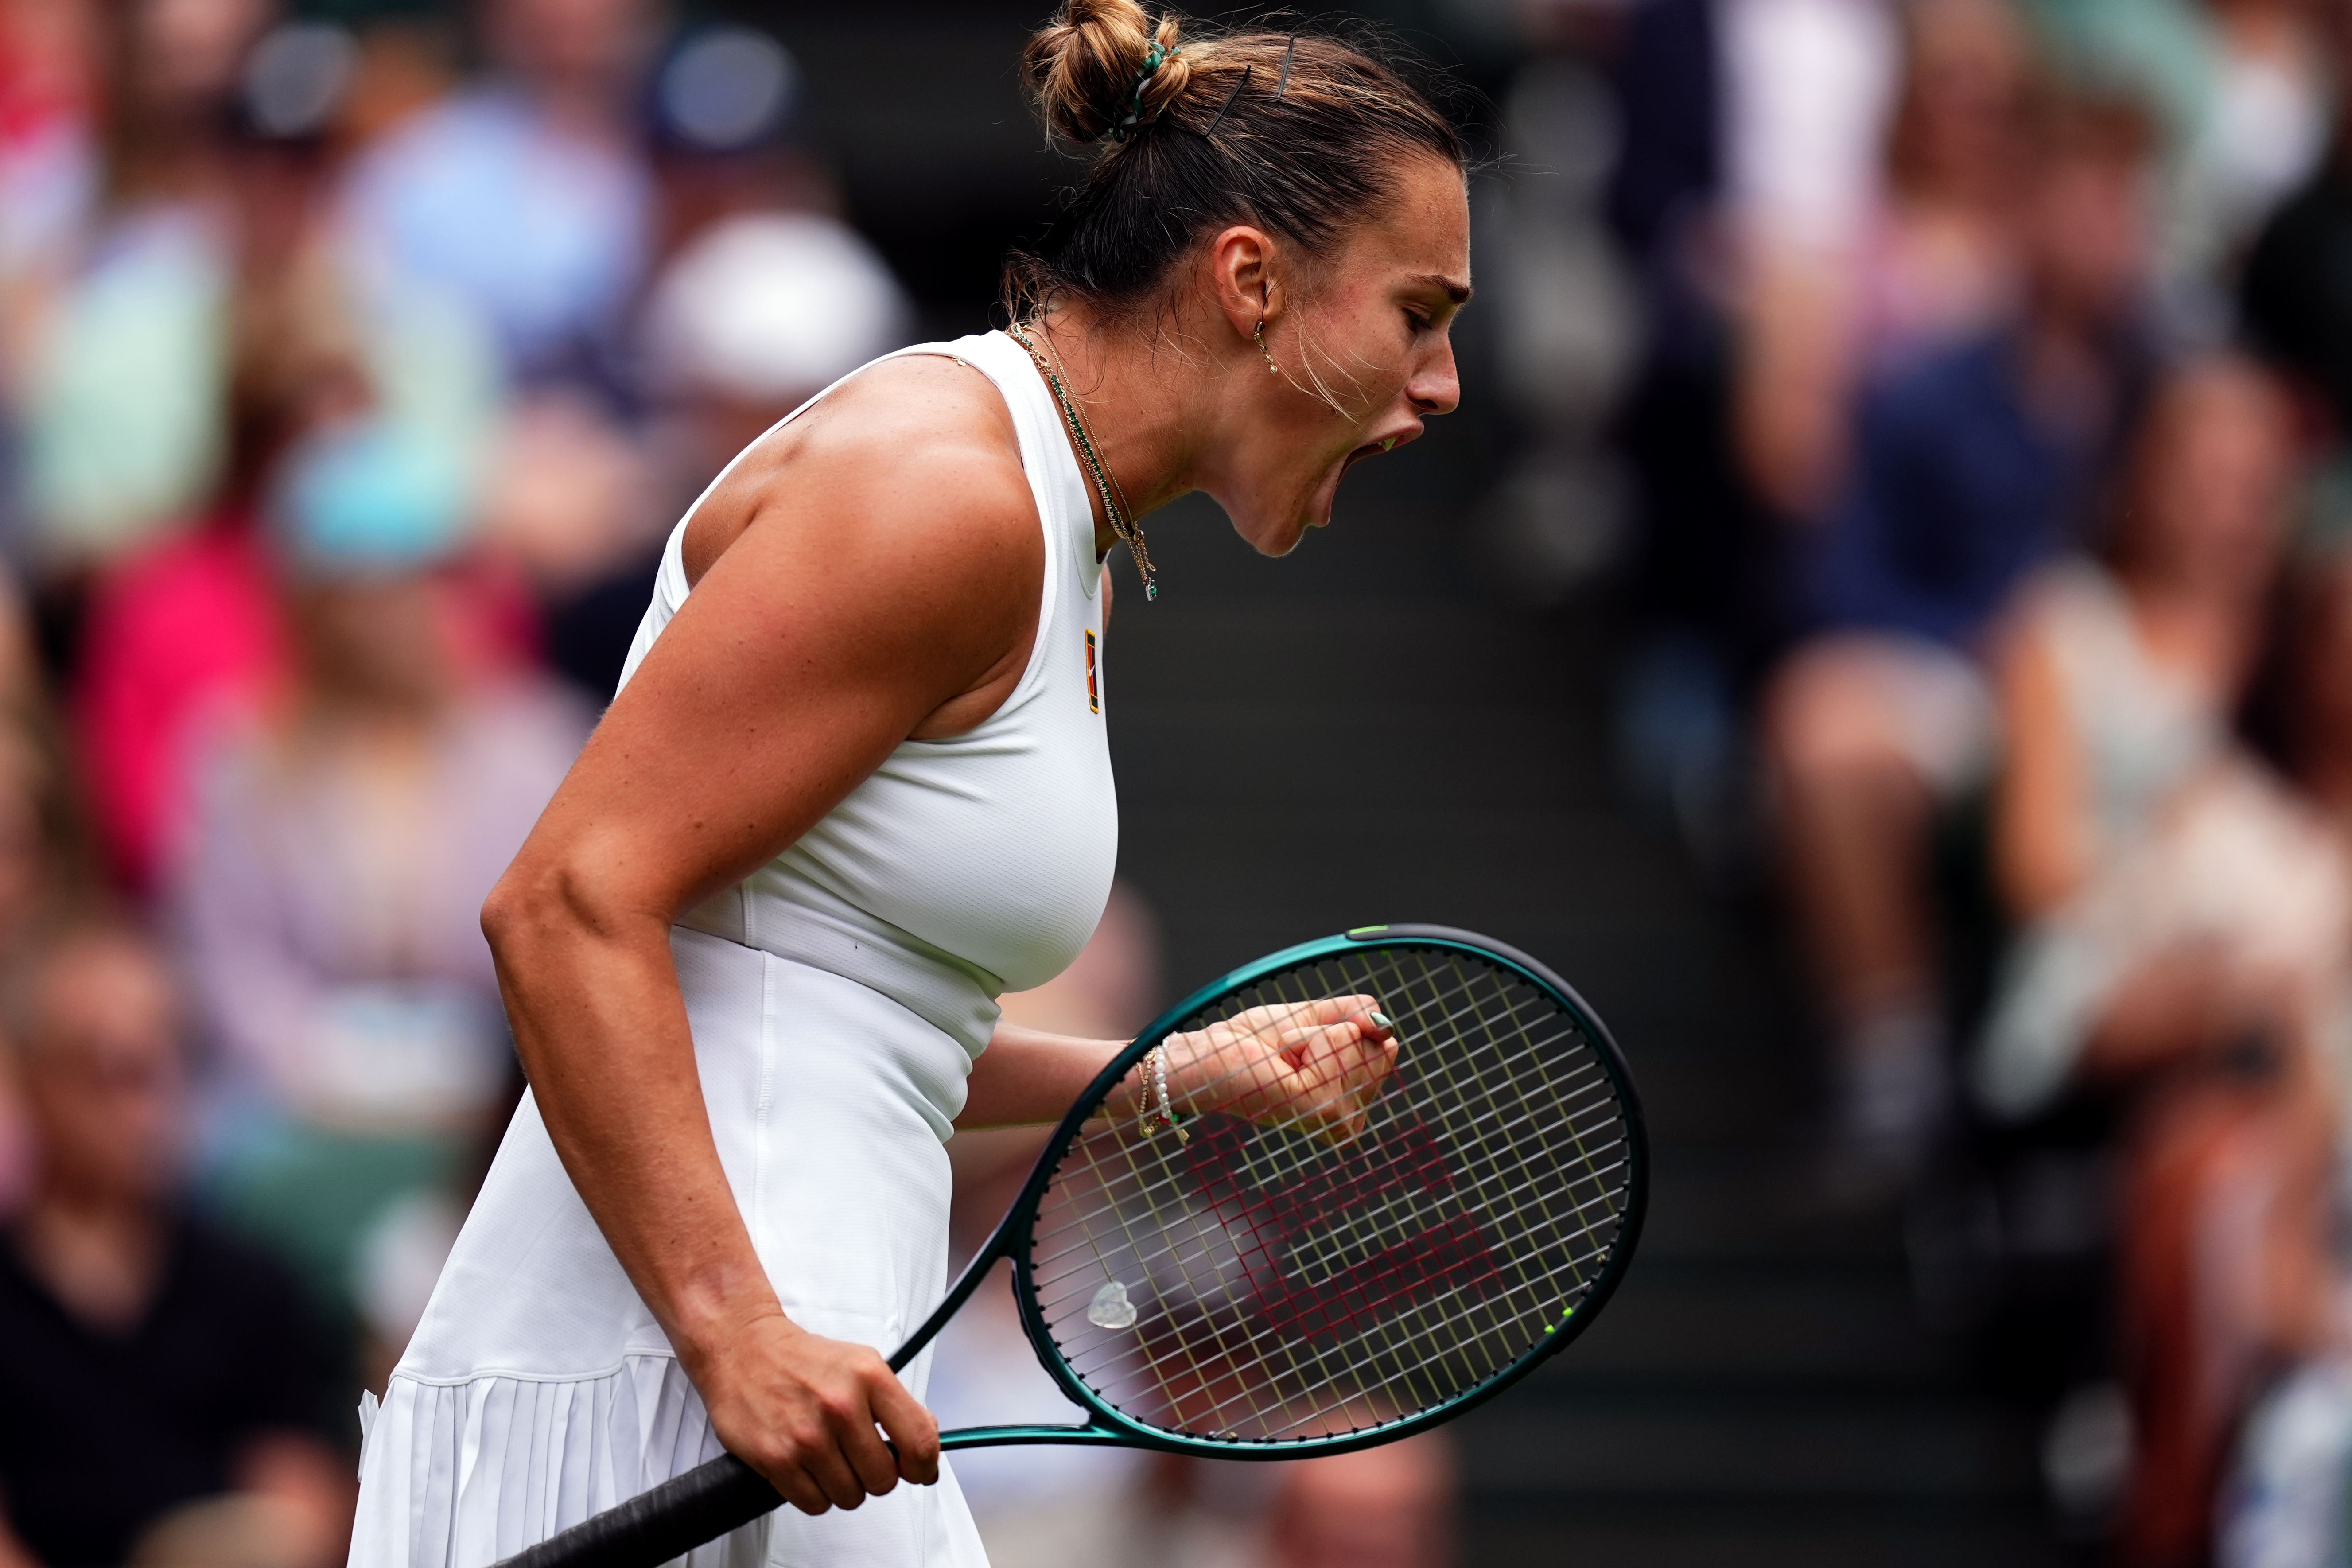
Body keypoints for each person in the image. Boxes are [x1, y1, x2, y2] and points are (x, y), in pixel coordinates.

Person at [350, 4, 1462, 1563]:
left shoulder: (1052, 521)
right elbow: (564, 900)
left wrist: (1165, 1071)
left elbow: (835, 1021)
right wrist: (734, 1331)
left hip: (795, 1385)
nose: (1446, 383)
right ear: (1252, 281)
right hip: (692, 1388)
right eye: (1419, 312)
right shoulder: (946, 497)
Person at [1973, 357, 2340, 1566]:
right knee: (2221, 1109)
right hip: (2143, 982)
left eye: (2250, 482)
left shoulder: (2298, 649)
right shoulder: (2067, 634)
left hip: (2281, 995)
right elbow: (2040, 874)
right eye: (2198, 473)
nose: (2221, 506)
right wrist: (2186, 909)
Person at [1760, 95, 2155, 1185]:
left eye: (2123, 208)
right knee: (1823, 723)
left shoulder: (2178, 390)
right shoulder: (1928, 388)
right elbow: (1839, 583)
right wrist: (1986, 642)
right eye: (2078, 204)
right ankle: (1896, 1059)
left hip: (2158, 697)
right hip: (1971, 683)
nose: (2102, 232)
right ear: (2022, 217)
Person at [172, 417, 584, 1321]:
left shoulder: (536, 743)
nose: (413, 611)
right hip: (297, 1110)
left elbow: (557, 942)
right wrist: (322, 1071)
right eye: (382, 587)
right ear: (320, 605)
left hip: (492, 1101)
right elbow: (229, 962)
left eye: (434, 581)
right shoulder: (240, 757)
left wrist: (477, 1071)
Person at [0, 921, 348, 1568]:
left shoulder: (250, 1286)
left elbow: (301, 1494)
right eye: (108, 1069)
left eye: (166, 1062)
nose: (145, 1105)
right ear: (33, 1079)